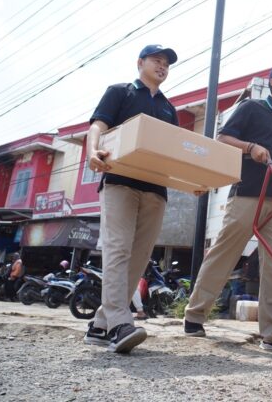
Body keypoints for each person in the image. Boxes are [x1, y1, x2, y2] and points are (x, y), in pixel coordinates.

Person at [183, 62, 272, 355]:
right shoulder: (252, 108)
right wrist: (251, 147)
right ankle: (194, 315)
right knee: (225, 254)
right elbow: (223, 138)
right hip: (249, 193)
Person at [84, 44, 179, 354]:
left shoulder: (169, 108)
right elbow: (98, 125)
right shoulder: (121, 92)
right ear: (140, 63)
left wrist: (191, 182)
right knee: (118, 251)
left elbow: (174, 152)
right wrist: (92, 152)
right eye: (157, 60)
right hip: (120, 182)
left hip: (156, 190)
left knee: (138, 260)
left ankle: (100, 324)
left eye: (166, 63)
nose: (162, 66)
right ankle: (119, 325)